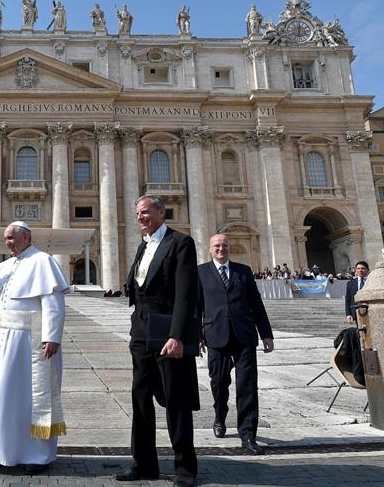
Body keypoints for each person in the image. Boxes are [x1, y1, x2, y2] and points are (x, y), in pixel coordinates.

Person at [0, 221, 69, 474]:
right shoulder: (7, 265)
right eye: (5, 239)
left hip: (34, 340)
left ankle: (37, 456)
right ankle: (1, 451)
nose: (8, 242)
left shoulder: (43, 261)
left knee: (33, 399)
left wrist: (52, 337)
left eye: (11, 238)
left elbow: (53, 302)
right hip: (7, 340)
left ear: (26, 237)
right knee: (3, 397)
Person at [116, 195, 199, 487]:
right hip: (141, 334)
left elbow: (186, 293)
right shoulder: (143, 244)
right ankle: (144, 464)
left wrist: (178, 335)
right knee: (140, 399)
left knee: (176, 400)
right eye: (138, 213)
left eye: (146, 212)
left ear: (162, 212)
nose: (141, 217)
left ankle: (185, 469)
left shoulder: (180, 243)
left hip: (166, 333)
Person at [197, 234, 274, 455]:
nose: (221, 249)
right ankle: (219, 415)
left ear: (229, 248)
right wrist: (196, 335)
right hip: (215, 334)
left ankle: (248, 434)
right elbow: (196, 307)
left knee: (247, 385)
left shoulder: (243, 271)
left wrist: (266, 334)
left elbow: (256, 303)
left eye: (224, 246)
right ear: (210, 249)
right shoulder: (201, 272)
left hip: (244, 335)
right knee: (219, 382)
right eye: (217, 246)